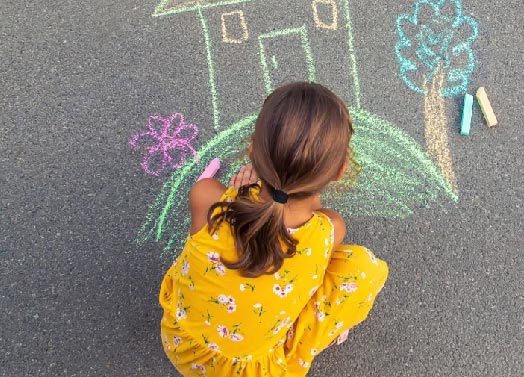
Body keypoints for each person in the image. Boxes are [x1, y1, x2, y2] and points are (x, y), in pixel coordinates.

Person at [159, 82, 389, 377]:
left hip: (185, 349)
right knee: (363, 269)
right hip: (256, 371)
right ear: (339, 172)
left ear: (252, 152)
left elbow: (246, 234)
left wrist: (238, 197)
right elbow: (295, 225)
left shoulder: (207, 198)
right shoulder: (328, 230)